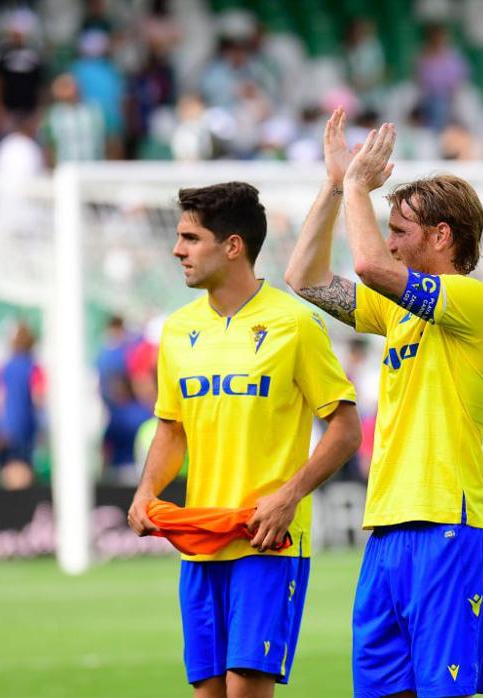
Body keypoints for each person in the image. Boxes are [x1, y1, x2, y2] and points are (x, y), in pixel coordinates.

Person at [285, 108, 483, 697]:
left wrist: (359, 185)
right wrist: (336, 187)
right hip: (387, 531)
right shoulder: (398, 312)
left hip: (447, 528)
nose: (389, 242)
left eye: (401, 231)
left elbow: (368, 266)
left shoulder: (478, 305)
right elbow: (304, 277)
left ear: (441, 236)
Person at [126, 182, 361, 696]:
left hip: (266, 542)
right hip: (199, 543)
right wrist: (147, 493)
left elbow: (346, 429)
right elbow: (171, 429)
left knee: (245, 691)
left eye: (191, 238)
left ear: (233, 246)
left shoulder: (295, 323)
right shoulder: (176, 329)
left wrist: (289, 497)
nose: (177, 249)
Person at [0, 321, 45, 490]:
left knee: (8, 469)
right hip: (24, 426)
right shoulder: (33, 368)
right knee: (22, 471)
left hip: (5, 426)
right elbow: (39, 398)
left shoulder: (5, 367)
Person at [40, 73, 106, 165]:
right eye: (61, 86)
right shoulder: (52, 115)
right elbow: (48, 146)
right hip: (66, 171)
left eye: (68, 85)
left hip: (94, 170)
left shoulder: (95, 110)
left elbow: (111, 141)